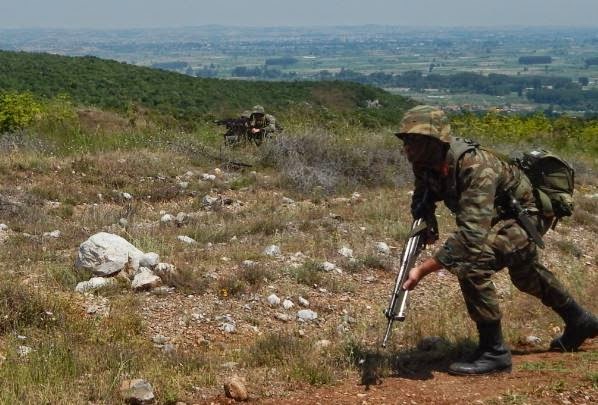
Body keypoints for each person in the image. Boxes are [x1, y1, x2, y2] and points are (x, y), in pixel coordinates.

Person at [396, 105, 598, 376]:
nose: (407, 147)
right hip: (499, 219)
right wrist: (427, 220)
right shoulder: (425, 163)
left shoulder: (476, 167)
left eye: (414, 140)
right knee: (525, 274)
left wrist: (422, 270)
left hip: (527, 216)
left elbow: (470, 237)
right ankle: (580, 321)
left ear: (436, 141)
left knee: (472, 262)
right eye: (405, 140)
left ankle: (494, 352)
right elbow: (422, 197)